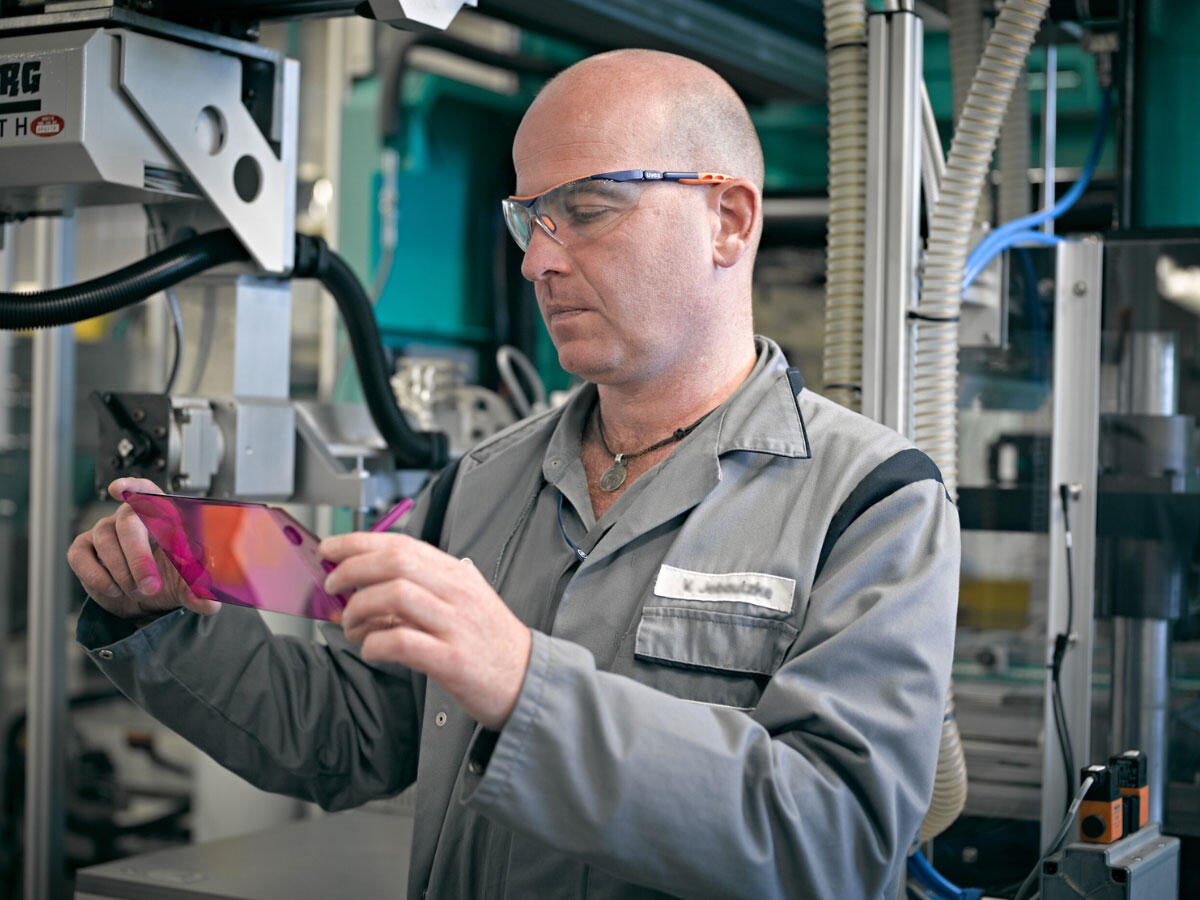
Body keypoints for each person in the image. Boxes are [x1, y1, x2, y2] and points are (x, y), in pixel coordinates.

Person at [68, 48, 959, 899]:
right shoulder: (481, 485)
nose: (539, 259)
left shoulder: (870, 505)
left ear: (727, 221)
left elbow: (835, 844)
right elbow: (352, 738)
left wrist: (525, 684)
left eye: (590, 209)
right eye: (530, 217)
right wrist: (157, 626)